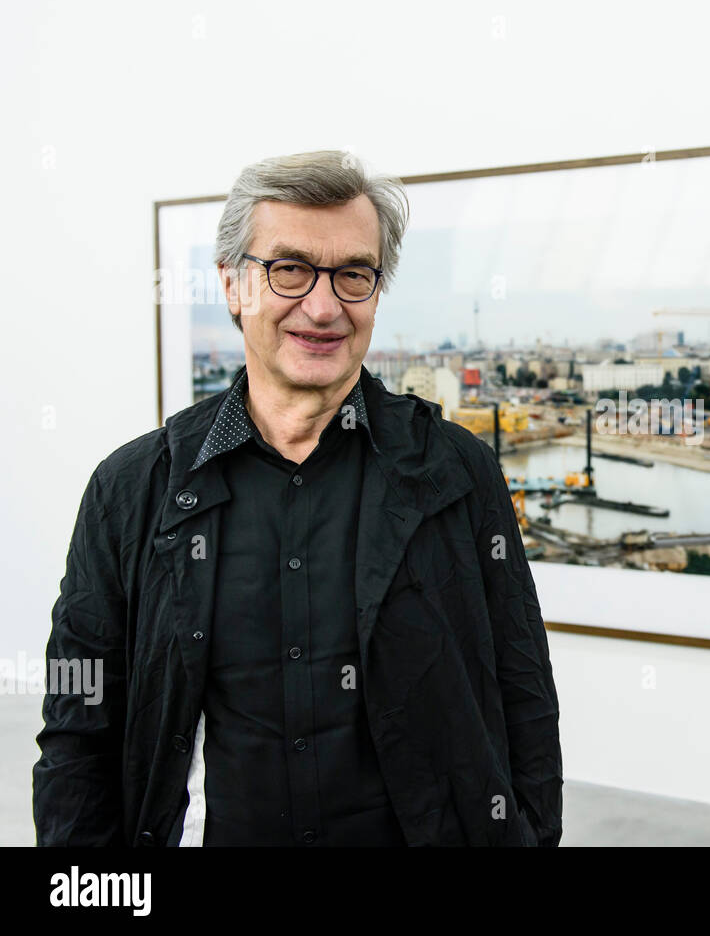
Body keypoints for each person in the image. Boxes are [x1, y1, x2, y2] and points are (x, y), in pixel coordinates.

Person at [33, 150, 562, 846]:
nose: (323, 306)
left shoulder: (457, 472)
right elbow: (80, 722)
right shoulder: (130, 489)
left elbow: (523, 692)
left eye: (353, 275)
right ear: (232, 285)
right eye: (289, 270)